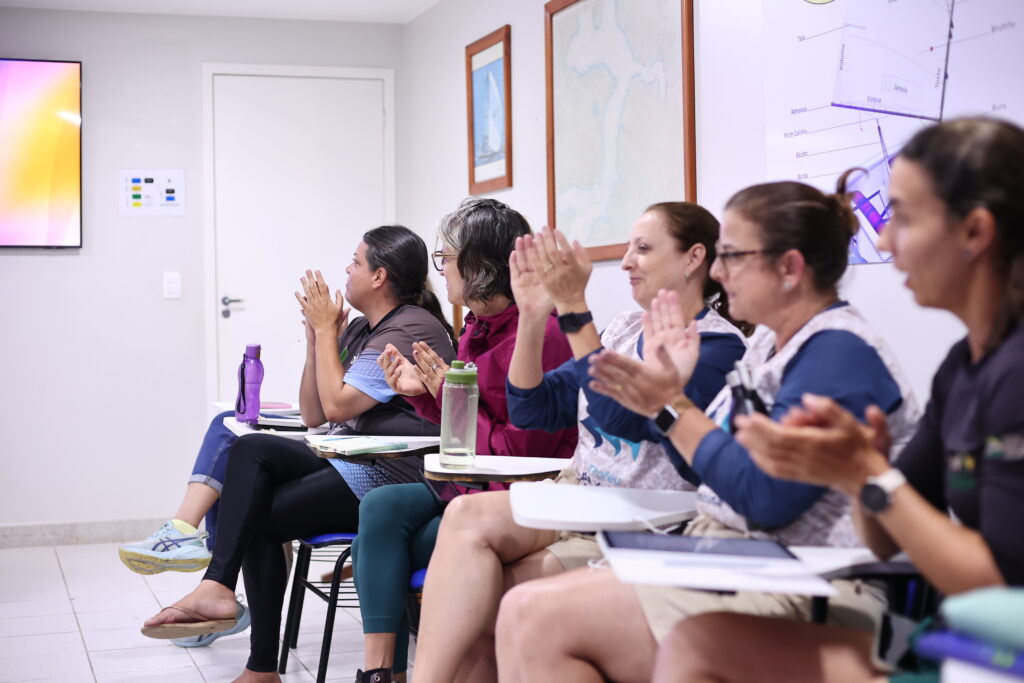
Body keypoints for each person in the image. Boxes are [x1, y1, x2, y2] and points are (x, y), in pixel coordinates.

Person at [492, 172, 922, 683]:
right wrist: (665, 406)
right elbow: (701, 463)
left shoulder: (837, 353)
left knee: (533, 615)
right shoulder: (770, 346)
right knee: (525, 609)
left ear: (789, 268)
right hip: (737, 556)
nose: (719, 270)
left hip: (813, 582)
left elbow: (763, 498)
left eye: (733, 257)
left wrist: (668, 406)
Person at [648, 118, 1024, 683]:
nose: (882, 240)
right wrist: (858, 478)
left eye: (903, 217)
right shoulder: (962, 368)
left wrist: (871, 475)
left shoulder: (1011, 374)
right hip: (955, 635)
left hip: (990, 648)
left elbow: (997, 579)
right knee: (694, 644)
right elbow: (888, 535)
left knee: (687, 644)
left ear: (974, 232)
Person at [411, 202, 749, 683]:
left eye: (643, 248)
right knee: (462, 522)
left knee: (477, 603)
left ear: (694, 258)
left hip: (642, 519)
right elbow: (533, 406)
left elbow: (622, 419)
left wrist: (573, 309)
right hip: (582, 499)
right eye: (628, 247)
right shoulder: (625, 328)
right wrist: (531, 316)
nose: (627, 261)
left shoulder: (717, 348)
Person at [138, 225, 457, 683]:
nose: (346, 269)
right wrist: (316, 340)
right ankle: (220, 592)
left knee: (255, 517)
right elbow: (313, 414)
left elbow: (337, 405)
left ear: (379, 277)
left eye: (356, 261)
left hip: (390, 477)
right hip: (349, 458)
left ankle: (254, 656)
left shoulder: (410, 326)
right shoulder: (363, 328)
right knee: (249, 450)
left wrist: (329, 331)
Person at [349, 198, 577, 683]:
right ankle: (378, 674)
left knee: (403, 545)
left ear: (480, 267)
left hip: (515, 494)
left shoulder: (540, 336)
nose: (442, 270)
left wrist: (443, 396)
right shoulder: (474, 326)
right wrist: (425, 395)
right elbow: (465, 429)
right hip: (469, 482)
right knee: (381, 507)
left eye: (446, 258)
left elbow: (521, 455)